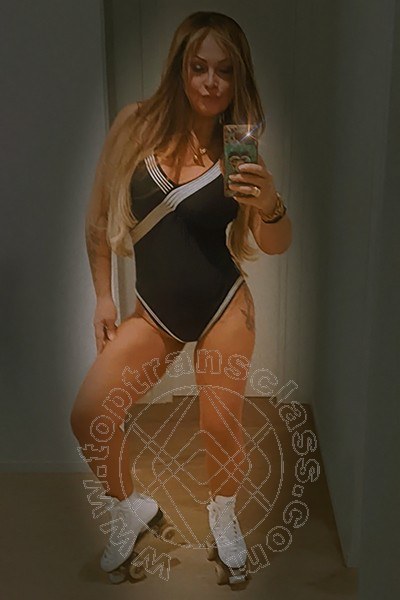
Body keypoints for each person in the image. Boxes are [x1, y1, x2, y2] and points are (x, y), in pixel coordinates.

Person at [70, 10, 292, 584]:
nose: (211, 82)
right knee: (89, 414)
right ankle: (130, 507)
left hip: (224, 304)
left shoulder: (239, 146)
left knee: (218, 424)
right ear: (180, 68)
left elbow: (275, 244)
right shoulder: (136, 124)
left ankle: (223, 513)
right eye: (199, 67)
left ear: (238, 77)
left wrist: (269, 202)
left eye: (225, 70)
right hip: (156, 311)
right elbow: (96, 219)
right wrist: (103, 299)